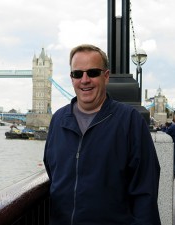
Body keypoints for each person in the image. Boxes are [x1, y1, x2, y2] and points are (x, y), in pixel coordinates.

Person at [43, 44, 161, 224]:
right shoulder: (58, 120)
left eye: (92, 73)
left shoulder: (130, 121)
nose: (84, 80)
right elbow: (52, 172)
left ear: (106, 76)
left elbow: (145, 190)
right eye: (77, 74)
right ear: (71, 78)